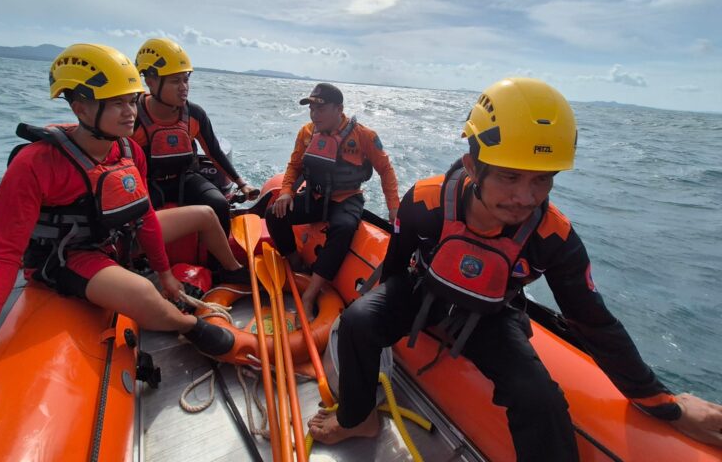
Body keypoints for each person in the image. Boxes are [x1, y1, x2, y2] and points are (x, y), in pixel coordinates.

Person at [307, 78, 722, 459]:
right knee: (360, 321)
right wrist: (381, 309)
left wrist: (664, 405)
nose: (525, 198)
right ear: (472, 166)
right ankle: (358, 417)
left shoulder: (552, 237)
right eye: (509, 177)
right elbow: (397, 265)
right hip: (424, 289)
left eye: (542, 180)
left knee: (538, 396)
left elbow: (594, 322)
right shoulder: (426, 202)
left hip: (490, 314)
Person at [0, 44, 245, 403]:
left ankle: (233, 270)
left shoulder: (127, 151)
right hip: (71, 255)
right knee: (142, 292)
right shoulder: (36, 163)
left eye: (132, 100)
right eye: (119, 103)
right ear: (81, 108)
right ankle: (189, 326)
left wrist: (165, 272)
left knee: (204, 213)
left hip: (117, 238)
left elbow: (144, 218)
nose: (131, 112)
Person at [266, 83, 400, 319]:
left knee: (344, 228)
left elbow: (385, 170)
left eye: (320, 109)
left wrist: (393, 207)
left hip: (346, 198)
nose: (314, 115)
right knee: (273, 214)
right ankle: (296, 263)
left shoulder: (364, 136)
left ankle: (309, 296)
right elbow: (295, 165)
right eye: (311, 109)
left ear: (339, 109)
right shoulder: (306, 133)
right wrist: (286, 190)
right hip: (314, 196)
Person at [132, 37, 258, 235]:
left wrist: (242, 184)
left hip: (185, 178)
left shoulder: (194, 114)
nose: (184, 87)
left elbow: (214, 152)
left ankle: (218, 265)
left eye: (186, 79)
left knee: (219, 204)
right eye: (175, 81)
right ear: (151, 81)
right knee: (135, 219)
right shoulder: (133, 117)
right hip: (146, 183)